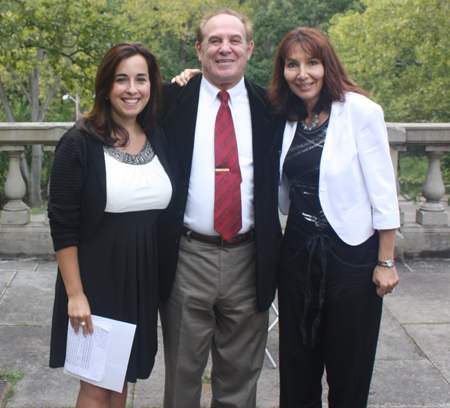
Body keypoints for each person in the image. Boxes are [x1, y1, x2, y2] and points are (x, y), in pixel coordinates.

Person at [156, 7, 282, 408]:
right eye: (214, 40)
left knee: (240, 378)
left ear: (248, 49)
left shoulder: (272, 108)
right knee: (182, 376)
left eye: (234, 40)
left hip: (250, 258)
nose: (224, 48)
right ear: (198, 49)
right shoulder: (169, 100)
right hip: (186, 257)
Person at [268, 27, 400, 407]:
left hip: (352, 257)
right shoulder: (286, 117)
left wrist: (386, 261)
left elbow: (383, 192)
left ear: (328, 65)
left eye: (312, 62)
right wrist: (193, 79)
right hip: (295, 256)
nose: (302, 73)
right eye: (292, 65)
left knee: (349, 368)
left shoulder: (360, 112)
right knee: (296, 367)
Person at [48, 42, 173, 408]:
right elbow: (63, 223)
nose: (132, 89)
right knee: (96, 385)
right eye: (122, 80)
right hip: (95, 279)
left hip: (141, 278)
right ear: (106, 86)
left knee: (120, 376)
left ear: (152, 86)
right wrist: (76, 294)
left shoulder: (157, 137)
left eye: (141, 79)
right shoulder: (79, 143)